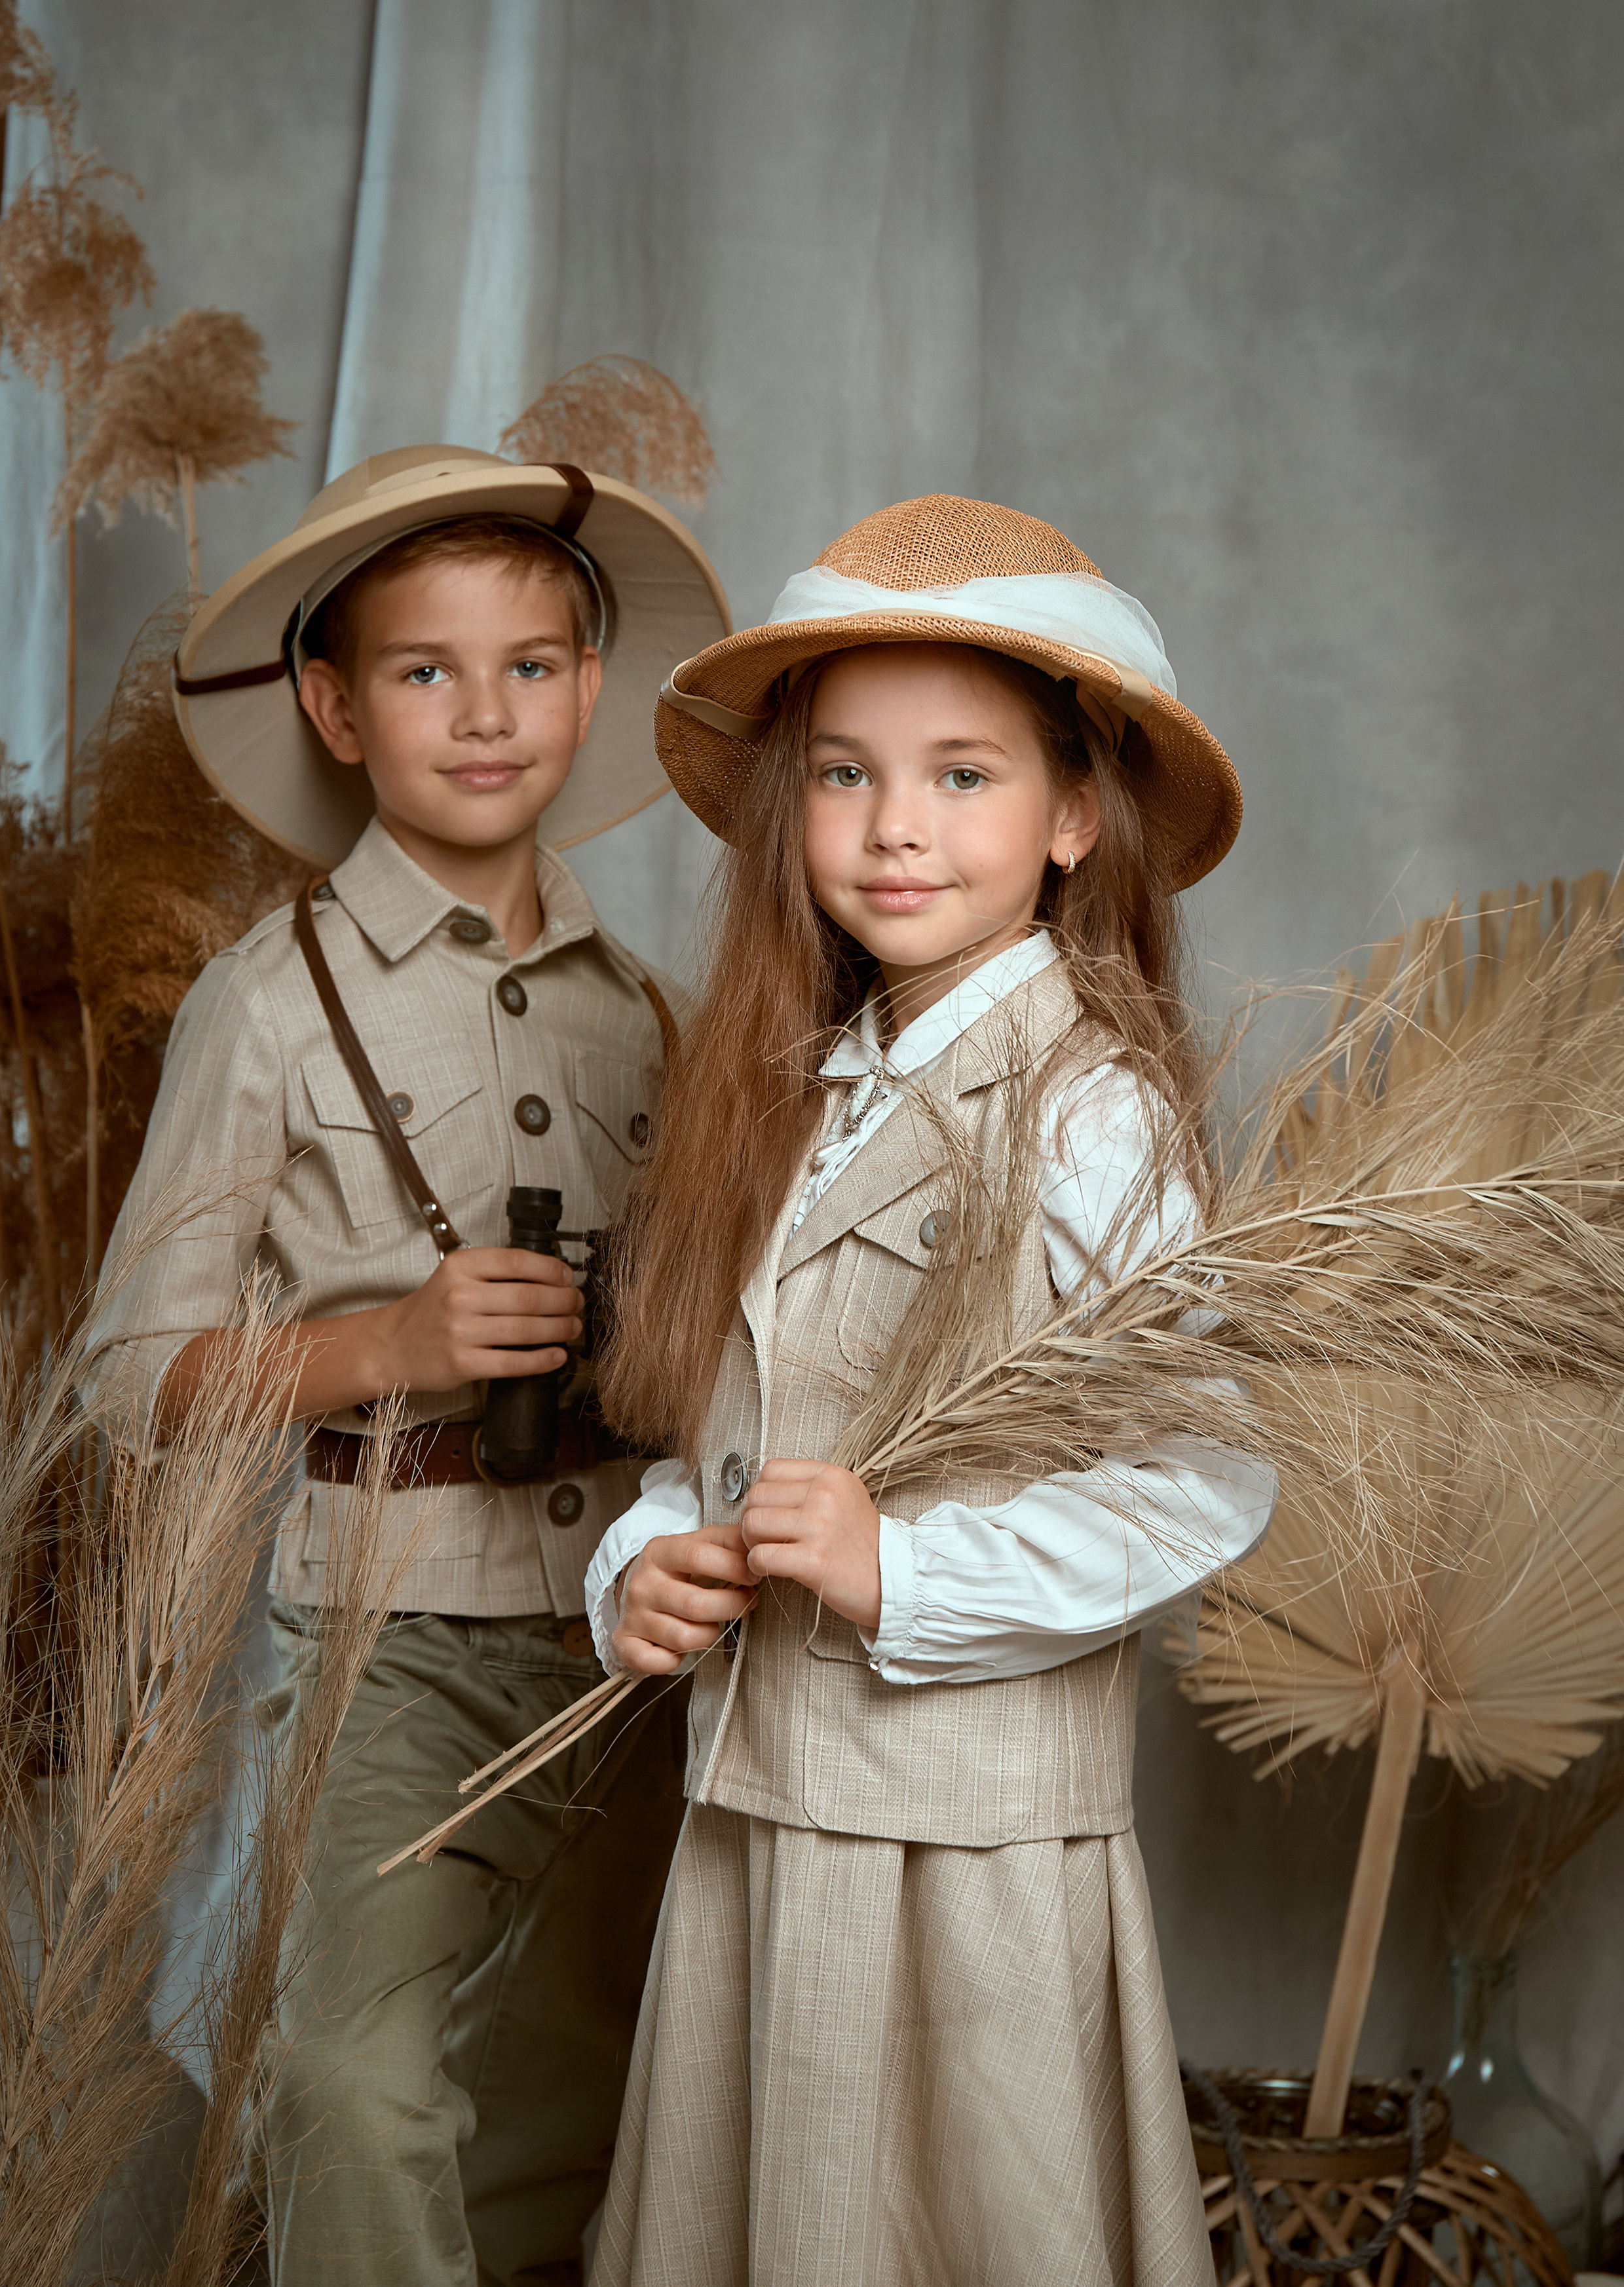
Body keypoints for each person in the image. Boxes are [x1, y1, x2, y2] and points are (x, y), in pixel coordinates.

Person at [582, 493, 1278, 2286]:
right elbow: (735, 1428)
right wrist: (645, 1562)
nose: (894, 826)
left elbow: (1205, 1475)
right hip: (758, 1816)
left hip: (961, 1859)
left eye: (963, 775)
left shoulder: (1091, 1104)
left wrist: (904, 1571)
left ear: (1072, 818)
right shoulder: (800, 1082)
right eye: (842, 774)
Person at [81, 447, 730, 2287]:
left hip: (625, 1625)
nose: (484, 710)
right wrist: (387, 1343)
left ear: (591, 694)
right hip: (387, 1627)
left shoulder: (650, 1012)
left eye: (530, 664)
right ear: (333, 705)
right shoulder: (268, 1000)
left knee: (562, 2094)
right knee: (347, 2075)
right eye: (426, 669)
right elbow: (127, 1377)